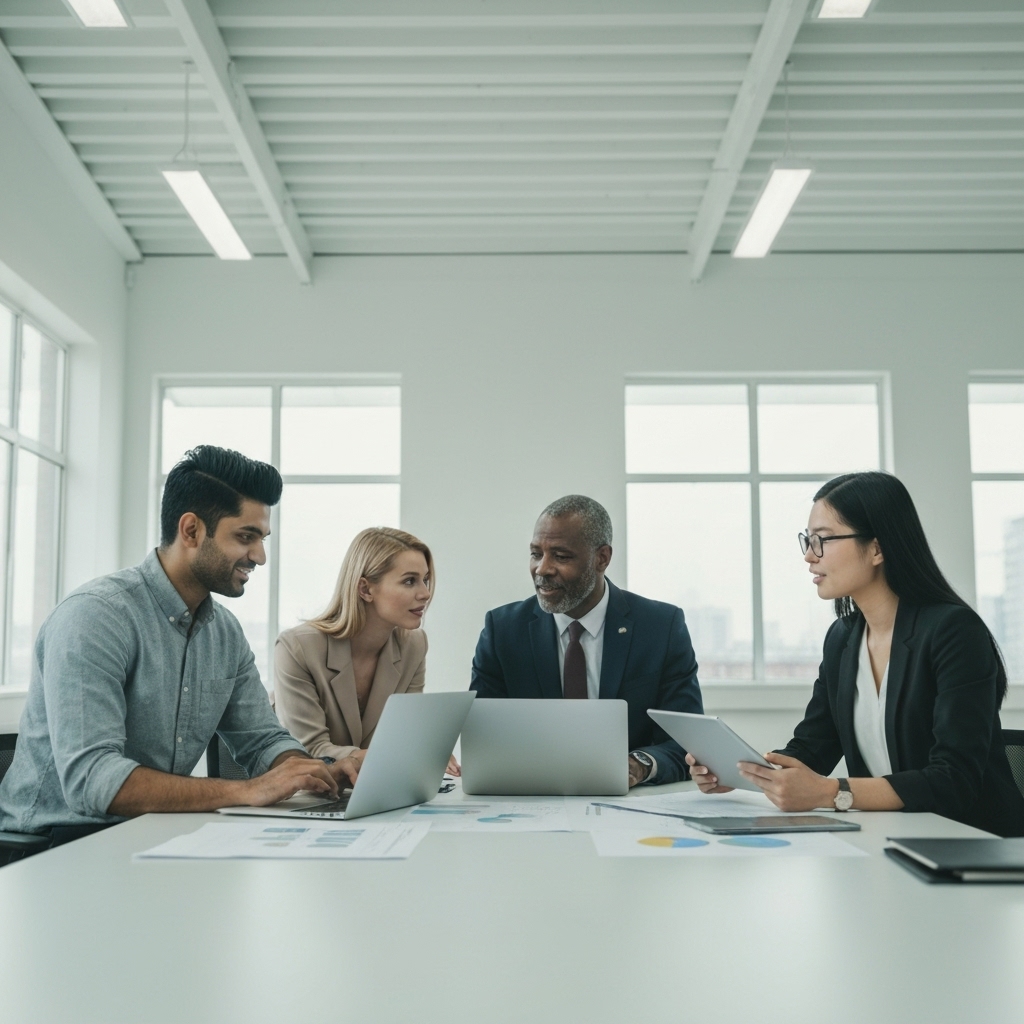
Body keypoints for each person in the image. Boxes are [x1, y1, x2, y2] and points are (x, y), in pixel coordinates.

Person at [0, 445, 353, 845]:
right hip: (54, 843)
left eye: (262, 538)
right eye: (246, 537)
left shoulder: (225, 633)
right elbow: (91, 781)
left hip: (151, 832)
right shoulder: (95, 617)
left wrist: (312, 770)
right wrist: (247, 791)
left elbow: (263, 740)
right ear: (191, 530)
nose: (259, 556)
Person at [688, 471, 1024, 838]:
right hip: (888, 838)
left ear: (878, 548)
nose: (808, 556)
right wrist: (740, 773)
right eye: (807, 540)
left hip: (973, 844)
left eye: (823, 540)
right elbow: (812, 748)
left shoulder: (954, 631)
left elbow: (953, 780)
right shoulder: (843, 638)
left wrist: (833, 793)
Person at [470, 494, 703, 787]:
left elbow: (688, 739)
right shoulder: (503, 629)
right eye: (535, 553)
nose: (542, 569)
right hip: (530, 799)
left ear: (602, 558)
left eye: (561, 556)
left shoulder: (660, 626)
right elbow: (483, 739)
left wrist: (639, 764)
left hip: (632, 807)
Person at [274, 526, 456, 782]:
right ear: (365, 589)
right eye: (409, 581)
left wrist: (425, 751)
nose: (425, 593)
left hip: (373, 791)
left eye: (425, 579)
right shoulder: (298, 648)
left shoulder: (414, 645)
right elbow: (309, 751)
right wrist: (395, 756)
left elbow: (404, 734)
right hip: (307, 794)